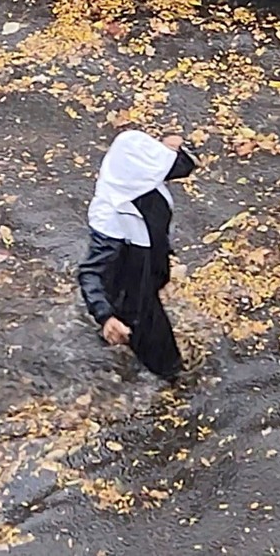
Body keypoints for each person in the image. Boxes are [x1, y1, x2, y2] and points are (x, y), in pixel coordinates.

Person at [78, 129, 197, 380]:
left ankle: (117, 343)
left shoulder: (139, 180)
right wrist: (106, 316)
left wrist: (173, 146)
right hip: (133, 298)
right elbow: (90, 272)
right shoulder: (111, 218)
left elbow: (183, 165)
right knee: (168, 365)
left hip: (145, 274)